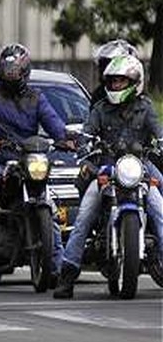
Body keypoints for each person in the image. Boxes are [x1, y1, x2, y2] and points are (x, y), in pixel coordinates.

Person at [54, 55, 163, 299]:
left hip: (138, 169)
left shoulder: (145, 108)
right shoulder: (100, 109)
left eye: (121, 81)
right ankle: (67, 274)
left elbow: (159, 133)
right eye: (112, 82)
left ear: (134, 82)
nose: (115, 86)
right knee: (83, 217)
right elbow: (87, 133)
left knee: (160, 210)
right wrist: (83, 143)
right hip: (107, 168)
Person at [0, 43, 70, 281]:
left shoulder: (37, 97)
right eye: (7, 70)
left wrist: (65, 139)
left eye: (15, 70)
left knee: (48, 200)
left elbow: (53, 121)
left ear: (25, 71)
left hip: (29, 158)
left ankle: (58, 265)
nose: (10, 74)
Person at [90, 39, 138, 107]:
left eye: (122, 80)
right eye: (114, 80)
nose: (117, 84)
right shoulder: (99, 96)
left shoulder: (140, 101)